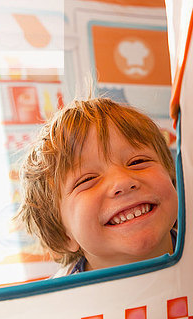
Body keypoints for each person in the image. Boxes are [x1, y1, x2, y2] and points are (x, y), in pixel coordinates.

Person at [15, 97, 178, 277]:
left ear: (170, 176)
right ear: (63, 235)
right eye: (87, 180)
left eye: (138, 161)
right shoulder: (60, 301)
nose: (122, 181)